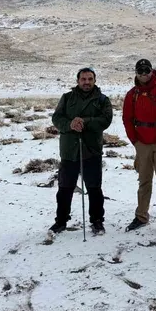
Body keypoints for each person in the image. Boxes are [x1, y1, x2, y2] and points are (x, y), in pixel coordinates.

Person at [50, 67, 113, 234]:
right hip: (69, 150)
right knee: (65, 187)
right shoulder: (67, 98)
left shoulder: (102, 100)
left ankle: (97, 220)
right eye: (83, 79)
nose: (87, 82)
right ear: (78, 81)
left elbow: (106, 120)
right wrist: (70, 124)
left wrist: (84, 121)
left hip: (91, 149)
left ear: (94, 80)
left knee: (94, 188)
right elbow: (56, 118)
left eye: (90, 79)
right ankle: (61, 220)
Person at [122, 58, 156, 234]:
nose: (144, 74)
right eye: (140, 71)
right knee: (144, 181)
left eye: (146, 70)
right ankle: (141, 216)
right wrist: (135, 141)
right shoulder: (132, 95)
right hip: (142, 144)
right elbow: (127, 119)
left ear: (152, 71)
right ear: (136, 73)